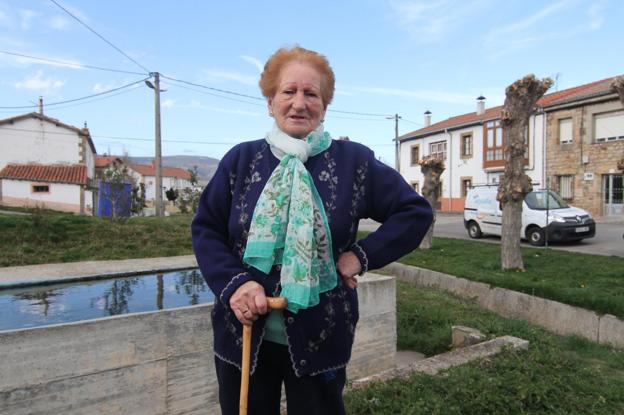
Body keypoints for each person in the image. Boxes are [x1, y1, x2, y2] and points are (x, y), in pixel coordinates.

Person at [192, 46, 433, 415]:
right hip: (241, 332)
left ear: (324, 105)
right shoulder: (241, 160)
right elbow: (207, 228)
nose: (299, 103)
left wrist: (359, 257)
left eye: (311, 94)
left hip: (323, 333)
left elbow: (414, 212)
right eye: (288, 92)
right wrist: (237, 284)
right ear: (270, 100)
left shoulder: (354, 162)